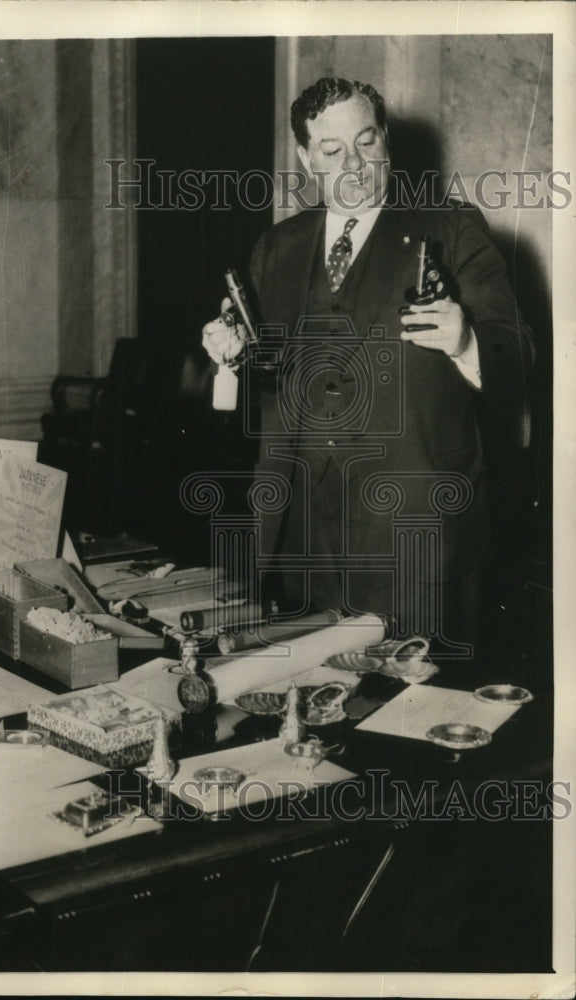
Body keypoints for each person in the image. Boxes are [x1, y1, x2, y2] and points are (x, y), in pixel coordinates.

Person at [201, 77, 533, 658]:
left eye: (367, 141)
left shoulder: (449, 228)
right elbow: (267, 379)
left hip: (416, 539)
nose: (354, 165)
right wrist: (231, 356)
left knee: (415, 704)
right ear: (306, 157)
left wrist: (465, 340)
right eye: (332, 150)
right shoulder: (277, 248)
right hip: (303, 541)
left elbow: (518, 353)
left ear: (386, 141)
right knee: (307, 700)